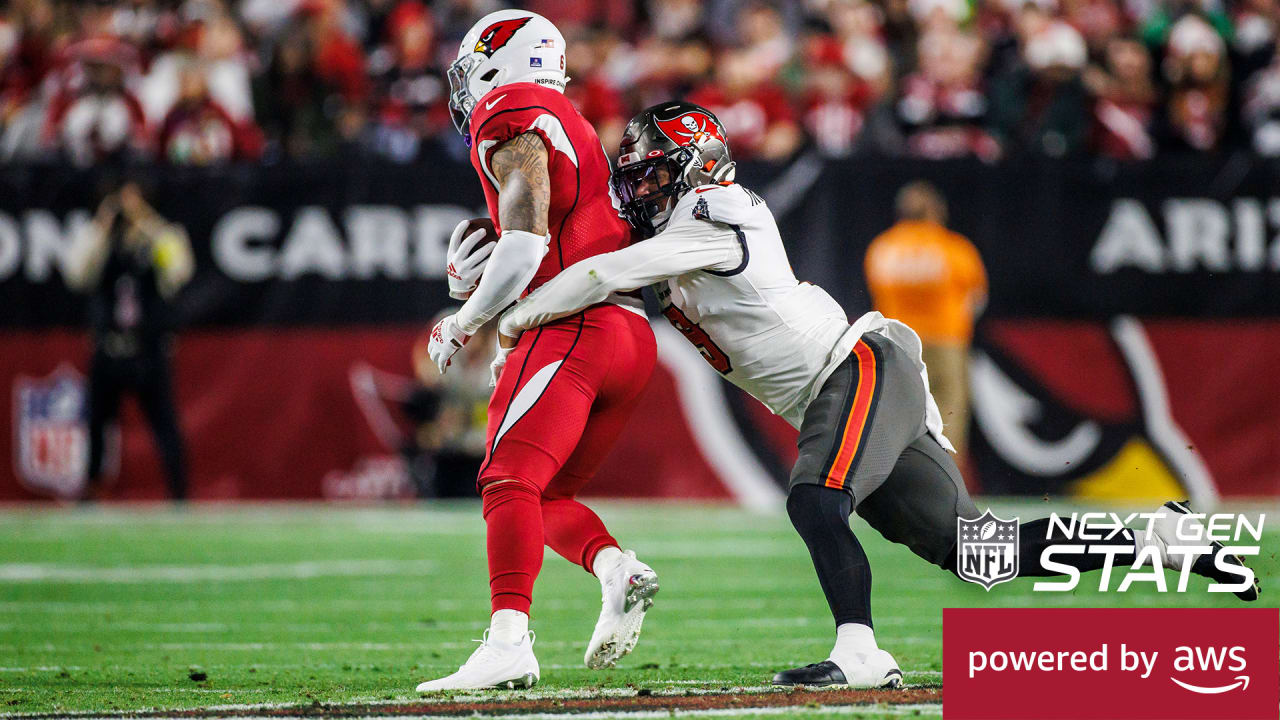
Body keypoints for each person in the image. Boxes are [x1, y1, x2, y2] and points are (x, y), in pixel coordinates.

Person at [496, 101, 1259, 689]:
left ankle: (858, 650)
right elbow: (587, 258)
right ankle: (1162, 538)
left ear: (697, 168)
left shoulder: (718, 212)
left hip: (858, 366)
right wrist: (496, 257)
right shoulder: (669, 232)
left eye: (656, 169)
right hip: (851, 385)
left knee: (816, 500)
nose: (641, 183)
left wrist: (512, 312)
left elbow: (599, 276)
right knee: (978, 552)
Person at [415, 10, 659, 692]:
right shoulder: (568, 119)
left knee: (505, 481)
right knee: (545, 495)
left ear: (499, 61)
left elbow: (524, 247)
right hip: (627, 337)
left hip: (575, 326)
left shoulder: (510, 110)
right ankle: (617, 571)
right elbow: (544, 238)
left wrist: (465, 319)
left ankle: (508, 642)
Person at [64, 176, 195, 501]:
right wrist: (103, 225)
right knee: (97, 425)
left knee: (164, 424)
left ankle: (179, 494)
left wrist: (147, 224)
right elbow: (76, 274)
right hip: (109, 348)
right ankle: (91, 490)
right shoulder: (103, 240)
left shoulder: (160, 237)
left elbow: (179, 272)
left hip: (148, 350)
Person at [864, 181, 985, 456]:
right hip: (945, 340)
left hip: (897, 341)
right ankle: (945, 475)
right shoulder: (954, 248)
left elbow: (875, 292)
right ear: (934, 211)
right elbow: (976, 298)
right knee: (949, 409)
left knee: (897, 407)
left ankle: (893, 471)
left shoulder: (882, 247)